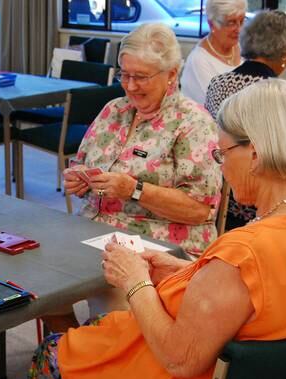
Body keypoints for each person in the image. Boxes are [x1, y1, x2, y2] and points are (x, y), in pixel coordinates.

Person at [21, 78, 286, 379]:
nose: (220, 166)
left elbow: (179, 359)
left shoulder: (243, 252)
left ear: (253, 154)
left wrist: (134, 281)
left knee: (53, 354)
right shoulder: (270, 237)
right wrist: (191, 269)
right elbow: (256, 294)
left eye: (220, 153)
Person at [64, 23, 222, 257]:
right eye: (124, 74)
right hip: (96, 231)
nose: (129, 85)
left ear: (171, 74)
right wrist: (78, 179)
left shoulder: (193, 122)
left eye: (140, 76)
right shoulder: (113, 110)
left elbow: (200, 210)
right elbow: (81, 163)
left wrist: (134, 190)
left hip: (160, 246)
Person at [205, 10, 286, 231]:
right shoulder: (277, 96)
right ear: (285, 53)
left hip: (219, 190)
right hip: (261, 202)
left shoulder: (217, 82)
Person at [180, 0, 246, 105]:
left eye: (242, 21)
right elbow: (216, 109)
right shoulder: (198, 61)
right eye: (231, 23)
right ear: (212, 25)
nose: (239, 29)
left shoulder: (241, 47)